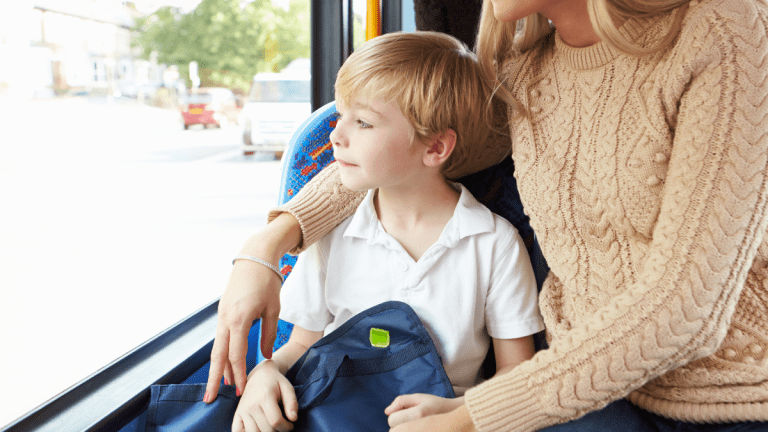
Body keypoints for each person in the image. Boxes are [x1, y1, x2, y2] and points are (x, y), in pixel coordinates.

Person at [207, 0, 768, 430]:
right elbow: (403, 157)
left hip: (728, 398)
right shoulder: (523, 69)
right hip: (580, 391)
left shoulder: (725, 31)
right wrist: (270, 242)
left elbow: (686, 309)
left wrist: (473, 413)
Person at [227, 31, 544, 432]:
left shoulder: (494, 243)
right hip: (339, 413)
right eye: (341, 116)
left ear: (434, 148)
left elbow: (517, 373)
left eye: (363, 122)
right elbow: (302, 345)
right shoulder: (332, 234)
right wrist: (265, 374)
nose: (336, 136)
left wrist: (459, 413)